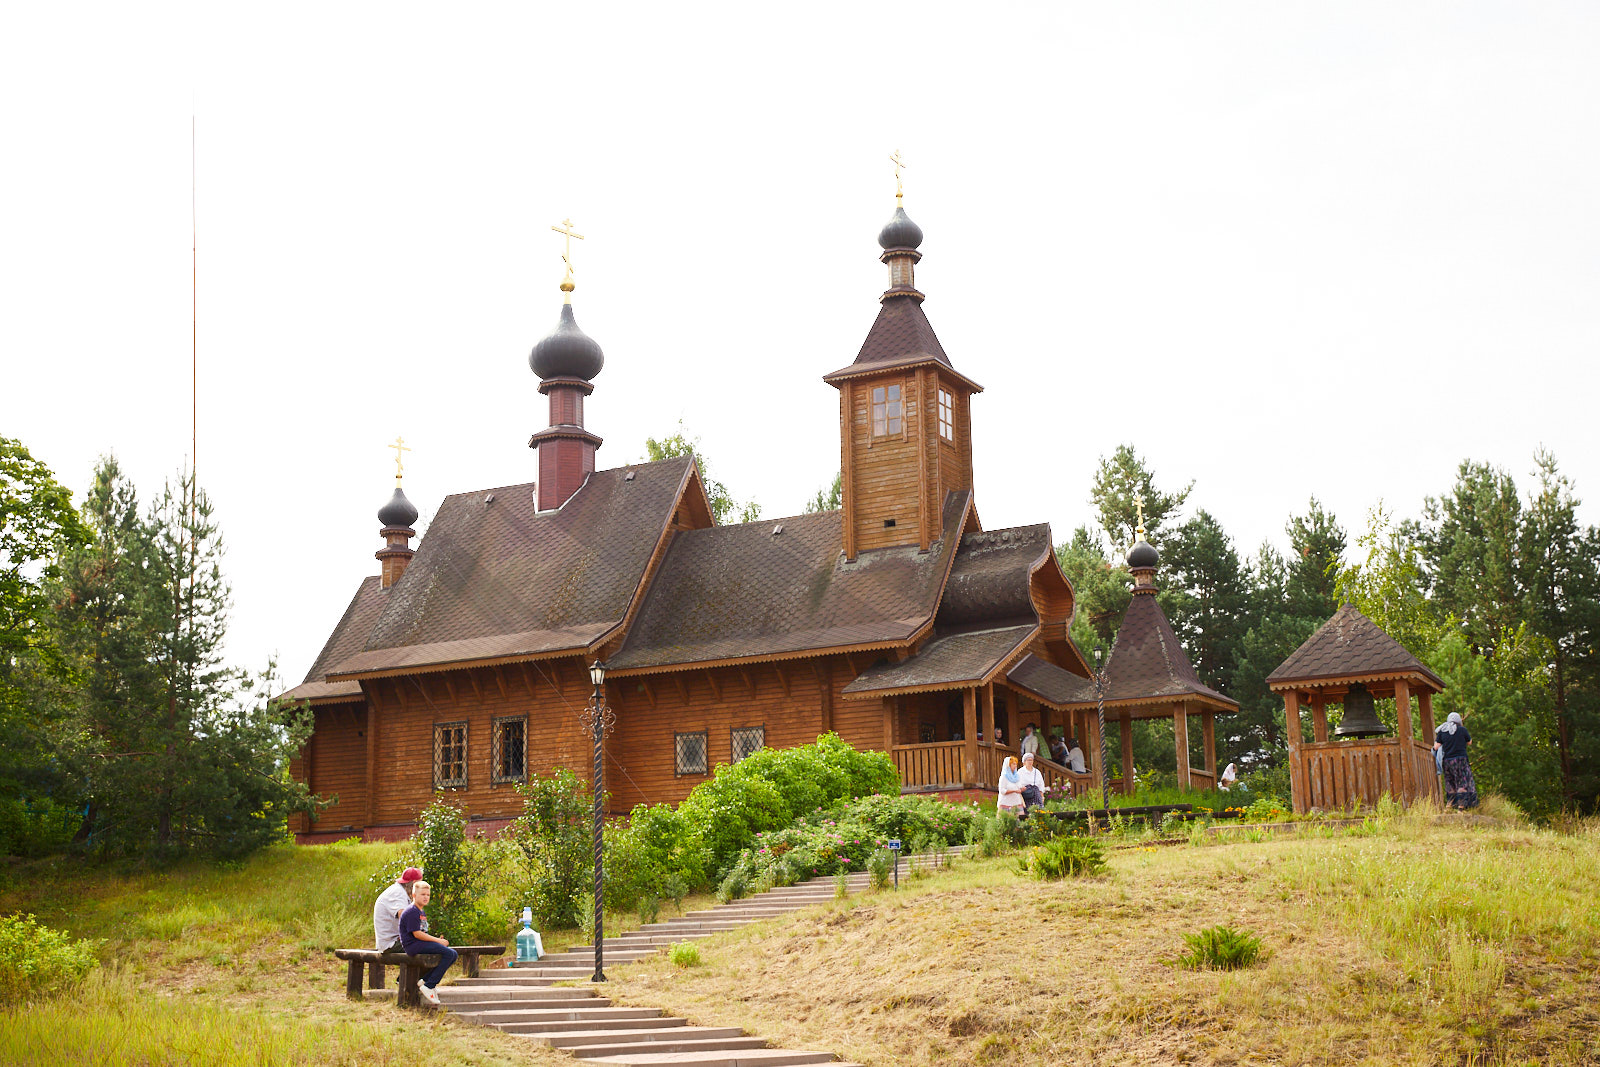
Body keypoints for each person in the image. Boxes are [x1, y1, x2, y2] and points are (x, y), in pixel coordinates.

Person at [400, 880, 457, 1007]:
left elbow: (423, 931)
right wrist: (438, 941)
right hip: (413, 945)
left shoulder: (421, 912)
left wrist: (437, 940)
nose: (426, 897)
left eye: (428, 895)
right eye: (422, 894)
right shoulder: (412, 911)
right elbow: (417, 934)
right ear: (414, 895)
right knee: (448, 954)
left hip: (420, 943)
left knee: (453, 954)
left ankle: (425, 980)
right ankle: (429, 985)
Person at [1434, 712, 1478, 810]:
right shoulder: (1462, 730)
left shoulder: (1442, 730)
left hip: (1447, 761)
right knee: (1462, 781)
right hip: (1460, 759)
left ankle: (1449, 806)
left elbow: (1436, 747)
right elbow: (1469, 742)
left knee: (1450, 782)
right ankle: (1461, 807)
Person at [373, 866, 423, 951]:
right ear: (414, 883)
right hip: (390, 944)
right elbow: (405, 917)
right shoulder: (398, 893)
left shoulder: (401, 892)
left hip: (396, 940)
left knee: (432, 945)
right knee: (431, 947)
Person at [1017, 752, 1049, 817]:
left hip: (1036, 794)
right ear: (1024, 762)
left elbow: (1041, 785)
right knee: (1028, 812)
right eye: (1028, 760)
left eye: (1031, 760)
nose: (1030, 762)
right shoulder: (1020, 771)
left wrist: (1042, 797)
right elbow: (1018, 785)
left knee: (1039, 811)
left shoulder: (1037, 772)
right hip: (1026, 794)